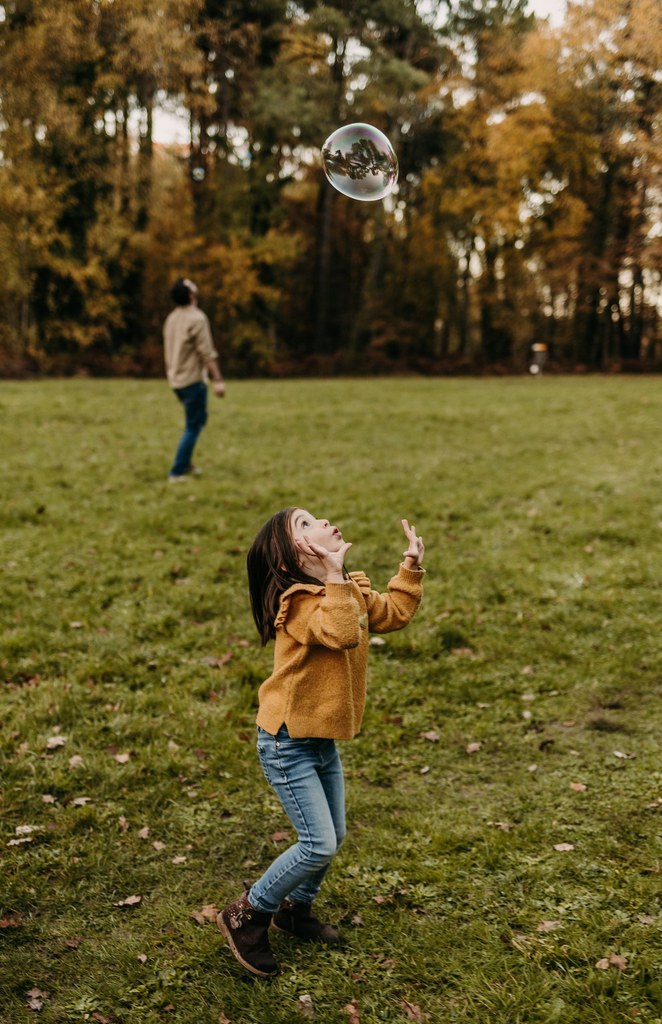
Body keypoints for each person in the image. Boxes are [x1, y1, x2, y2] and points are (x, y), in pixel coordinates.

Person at [216, 509, 426, 977]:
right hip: (286, 742)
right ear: (293, 557)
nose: (323, 521)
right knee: (317, 844)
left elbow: (389, 614)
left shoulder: (343, 588)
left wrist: (409, 569)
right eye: (304, 525)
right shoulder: (298, 605)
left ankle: (296, 909)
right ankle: (247, 914)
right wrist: (334, 577)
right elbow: (341, 632)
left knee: (335, 835)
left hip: (318, 739)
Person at [163, 278, 225, 482]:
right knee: (194, 425)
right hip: (192, 381)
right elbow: (207, 352)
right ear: (190, 294)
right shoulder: (197, 318)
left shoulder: (172, 318)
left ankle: (186, 463)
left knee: (195, 421)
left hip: (176, 381)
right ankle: (177, 471)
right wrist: (218, 380)